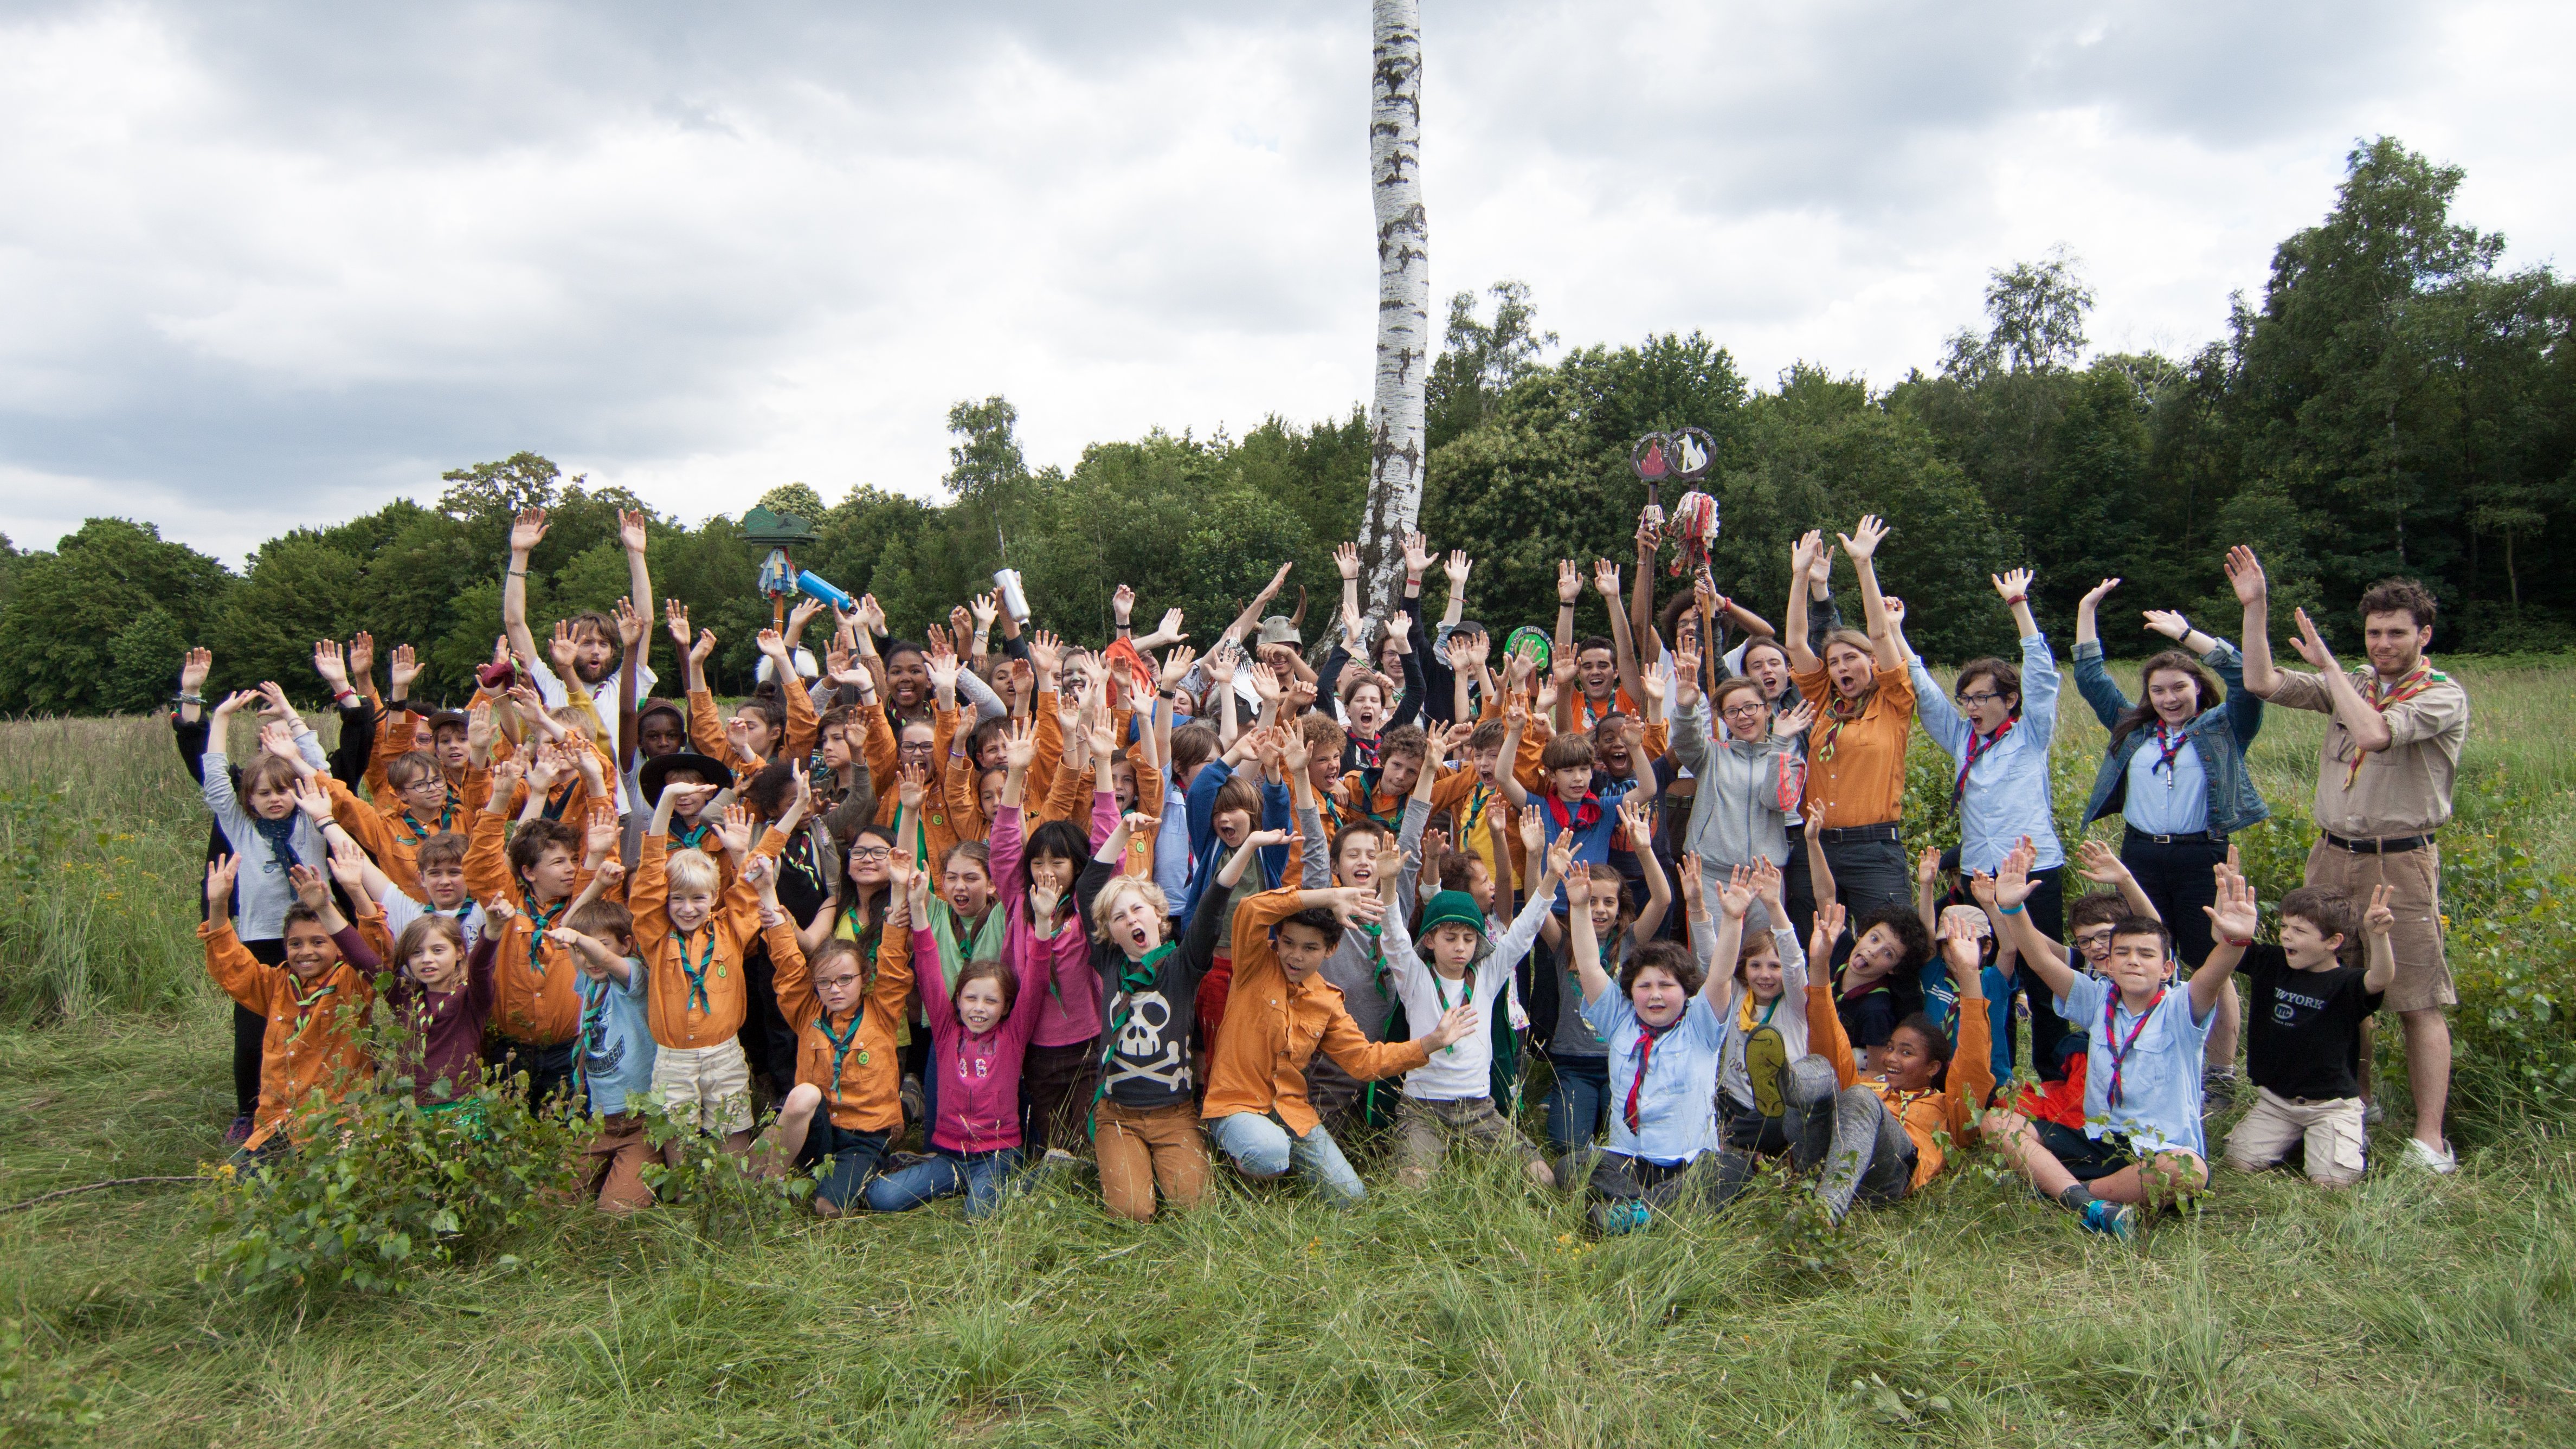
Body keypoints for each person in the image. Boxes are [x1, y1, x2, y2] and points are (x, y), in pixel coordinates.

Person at [2232, 548, 2470, 1173]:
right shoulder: (2355, 682)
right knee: (2335, 987)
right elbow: (2262, 682)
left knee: (2416, 997)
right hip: (2332, 854)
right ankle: (2353, 1103)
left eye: (2397, 633)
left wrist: (2333, 668)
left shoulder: (2442, 696)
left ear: (2424, 635)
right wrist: (2256, 607)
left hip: (2399, 862)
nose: (2384, 644)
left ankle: (2430, 1140)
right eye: (2374, 633)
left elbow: (2373, 734)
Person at [2072, 576, 2268, 1098]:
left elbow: (2244, 677)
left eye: (2179, 687)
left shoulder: (2226, 727)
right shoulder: (2133, 729)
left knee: (2211, 964)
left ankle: (2219, 1075)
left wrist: (2187, 635)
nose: (2168, 698)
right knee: (2139, 956)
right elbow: (2090, 677)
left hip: (2202, 855)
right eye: (2158, 690)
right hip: (2139, 856)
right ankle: (2145, 1059)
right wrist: (2088, 609)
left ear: (2198, 687)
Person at [1981, 840, 2217, 1239]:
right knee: (1996, 1122)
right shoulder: (2097, 997)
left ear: (2166, 968)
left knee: (2189, 1170)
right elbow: (2040, 960)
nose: (2127, 958)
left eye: (2141, 954)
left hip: (2156, 1150)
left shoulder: (2178, 1006)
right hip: (2098, 1138)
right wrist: (2011, 908)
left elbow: (2191, 957)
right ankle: (2091, 1203)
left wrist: (2233, 943)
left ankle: (2075, 1194)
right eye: (2119, 951)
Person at [1200, 880, 1476, 1207]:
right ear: (1278, 939)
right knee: (1268, 1152)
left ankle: (1274, 1162)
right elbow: (1251, 908)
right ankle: (1240, 1166)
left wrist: (1431, 1042)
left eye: (1310, 948)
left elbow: (1365, 1061)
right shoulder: (1254, 963)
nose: (1296, 956)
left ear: (1330, 950)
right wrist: (1331, 896)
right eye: (1288, 943)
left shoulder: (1327, 1000)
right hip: (1236, 1103)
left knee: (1351, 1198)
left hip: (1290, 1111)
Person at [1559, 849, 1735, 1234]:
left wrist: (1729, 918)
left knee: (1726, 1170)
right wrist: (1578, 907)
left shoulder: (1700, 1025)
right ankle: (1652, 1209)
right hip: (1630, 1161)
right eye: (1645, 986)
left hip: (1687, 1160)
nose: (1655, 995)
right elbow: (1588, 965)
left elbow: (1721, 976)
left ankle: (1635, 1213)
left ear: (1685, 991)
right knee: (1571, 1166)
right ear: (1631, 991)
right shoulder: (1620, 1018)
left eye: (1666, 985)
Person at [866, 859, 1053, 1219]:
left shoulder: (1013, 1035)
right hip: (950, 1156)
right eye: (971, 998)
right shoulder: (946, 1030)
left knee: (978, 1215)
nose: (979, 1008)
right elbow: (927, 966)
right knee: (881, 1197)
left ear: (1006, 1006)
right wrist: (918, 907)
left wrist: (1043, 921)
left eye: (991, 1001)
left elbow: (1037, 979)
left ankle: (1037, 1176)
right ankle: (946, 1177)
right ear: (957, 1001)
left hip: (998, 1154)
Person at [1789, 907, 1997, 1222]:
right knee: (1820, 1068)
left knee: (1859, 1097)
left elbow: (1973, 1064)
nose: (1890, 1058)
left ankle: (1825, 1211)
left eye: (1906, 1053)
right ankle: (1788, 1084)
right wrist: (1819, 965)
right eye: (1890, 1048)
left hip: (1890, 1176)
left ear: (1932, 1068)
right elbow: (1829, 1045)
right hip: (1823, 1158)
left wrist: (1969, 975)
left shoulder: (1948, 1107)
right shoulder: (1868, 1083)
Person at [1379, 835, 1560, 1189]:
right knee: (1413, 1186)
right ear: (1430, 940)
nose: (1460, 947)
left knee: (1542, 1178)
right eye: (1450, 938)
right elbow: (1393, 937)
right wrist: (1388, 882)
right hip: (1422, 1108)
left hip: (1479, 1108)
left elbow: (1524, 932)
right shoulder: (1415, 977)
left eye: (1469, 938)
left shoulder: (1488, 974)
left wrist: (1551, 876)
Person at [632, 792, 798, 1161]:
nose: (687, 908)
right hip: (674, 1058)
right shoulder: (655, 936)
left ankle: (726, 1191)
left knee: (731, 1145)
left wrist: (798, 806)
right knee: (678, 1148)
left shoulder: (730, 929)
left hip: (723, 1053)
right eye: (677, 899)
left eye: (698, 898)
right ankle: (688, 1194)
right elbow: (648, 877)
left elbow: (755, 873)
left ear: (714, 897)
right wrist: (665, 802)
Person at [2202, 870, 2393, 1187]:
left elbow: (2381, 978)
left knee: (2332, 1181)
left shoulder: (2347, 982)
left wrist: (2378, 935)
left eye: (2299, 930)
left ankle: (2342, 1137)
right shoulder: (2272, 962)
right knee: (2239, 1159)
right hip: (2277, 1101)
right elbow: (2223, 940)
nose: (2286, 936)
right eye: (2284, 927)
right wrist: (2228, 912)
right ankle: (2304, 1141)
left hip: (2331, 1105)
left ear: (2333, 942)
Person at [1076, 813, 1216, 1222]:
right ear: (1110, 932)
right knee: (1132, 1213)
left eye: (1138, 909)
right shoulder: (1110, 962)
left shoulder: (1182, 964)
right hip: (1117, 1113)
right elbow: (1087, 888)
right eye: (1119, 917)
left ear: (1159, 914)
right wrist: (1124, 830)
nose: (1131, 920)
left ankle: (1166, 1167)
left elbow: (1212, 910)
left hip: (1174, 1112)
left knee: (1196, 1212)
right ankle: (1131, 1169)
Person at [760, 856, 917, 1217]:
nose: (835, 989)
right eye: (825, 982)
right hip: (819, 1128)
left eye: (845, 979)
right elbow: (786, 960)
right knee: (802, 1096)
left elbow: (894, 959)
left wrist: (898, 888)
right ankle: (767, 1187)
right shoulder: (807, 1011)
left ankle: (888, 1143)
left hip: (864, 1134)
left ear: (865, 978)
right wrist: (767, 890)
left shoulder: (882, 1011)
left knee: (827, 1208)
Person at [200, 854, 379, 1164]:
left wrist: (352, 892)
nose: (306, 952)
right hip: (276, 1124)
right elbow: (230, 965)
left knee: (330, 1181)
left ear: (340, 945)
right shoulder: (275, 985)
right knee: (244, 1184)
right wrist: (218, 905)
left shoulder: (353, 982)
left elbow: (376, 949)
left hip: (337, 1121)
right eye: (295, 944)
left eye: (318, 942)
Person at [1782, 520, 1914, 919]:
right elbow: (1795, 643)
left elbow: (1880, 634)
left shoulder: (1894, 701)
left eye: (1851, 658)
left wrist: (1863, 564)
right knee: (1815, 945)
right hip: (1817, 847)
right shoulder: (1825, 700)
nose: (1841, 668)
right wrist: (1800, 576)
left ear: (1872, 662)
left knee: (1888, 944)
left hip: (1874, 851)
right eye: (1834, 662)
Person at [462, 757, 598, 1104]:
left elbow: (602, 854)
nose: (571, 869)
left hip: (569, 1049)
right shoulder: (509, 901)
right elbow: (480, 866)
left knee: (567, 1126)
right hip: (511, 1050)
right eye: (559, 862)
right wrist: (501, 798)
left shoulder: (582, 904)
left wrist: (595, 783)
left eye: (573, 860)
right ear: (529, 872)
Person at [1669, 639, 1813, 934]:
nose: (1743, 717)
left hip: (1765, 879)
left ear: (1767, 710)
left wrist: (1780, 745)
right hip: (1712, 875)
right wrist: (1685, 705)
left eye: (1750, 707)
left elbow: (1777, 800)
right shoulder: (1711, 755)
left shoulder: (1789, 759)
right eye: (1732, 712)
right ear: (1723, 719)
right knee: (1711, 956)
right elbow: (1685, 740)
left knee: (1762, 956)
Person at [550, 892, 660, 1214]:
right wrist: (598, 884)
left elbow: (604, 959)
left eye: (599, 946)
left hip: (641, 1121)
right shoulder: (589, 983)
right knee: (550, 1201)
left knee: (616, 1212)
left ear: (625, 945)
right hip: (600, 1121)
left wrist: (579, 941)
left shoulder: (632, 976)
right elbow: (566, 928)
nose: (588, 958)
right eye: (580, 951)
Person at [1709, 860, 1812, 1157]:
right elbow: (1711, 960)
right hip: (1731, 1101)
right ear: (1744, 968)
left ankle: (1724, 1144)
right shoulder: (1738, 994)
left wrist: (1774, 906)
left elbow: (1794, 964)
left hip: (1774, 1109)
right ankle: (1732, 1145)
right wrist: (1699, 909)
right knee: (1700, 1100)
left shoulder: (1796, 1005)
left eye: (1774, 967)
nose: (1765, 975)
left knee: (1781, 1123)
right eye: (1755, 965)